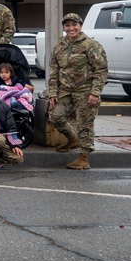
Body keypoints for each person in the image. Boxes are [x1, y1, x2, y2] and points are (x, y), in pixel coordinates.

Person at [48, 12, 108, 170]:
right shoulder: (59, 47)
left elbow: (100, 70)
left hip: (85, 91)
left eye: (74, 25)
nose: (71, 28)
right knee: (55, 116)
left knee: (84, 124)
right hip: (65, 91)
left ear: (80, 26)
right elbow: (54, 72)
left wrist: (95, 92)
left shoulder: (91, 45)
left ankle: (83, 158)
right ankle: (72, 138)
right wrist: (53, 93)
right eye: (67, 25)